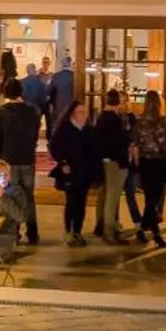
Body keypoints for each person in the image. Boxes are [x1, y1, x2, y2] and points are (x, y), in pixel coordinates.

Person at [0, 78, 44, 244]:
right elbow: (35, 134)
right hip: (27, 158)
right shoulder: (33, 111)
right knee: (28, 196)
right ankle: (33, 231)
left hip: (7, 160)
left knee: (9, 196)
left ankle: (13, 232)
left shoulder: (0, 113)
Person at [129, 90, 166, 244]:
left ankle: (144, 228)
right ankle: (154, 233)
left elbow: (134, 144)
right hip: (160, 163)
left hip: (145, 163)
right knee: (154, 198)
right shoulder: (165, 122)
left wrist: (137, 162)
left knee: (150, 198)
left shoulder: (139, 122)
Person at [49, 101, 99, 246]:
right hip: (70, 172)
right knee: (71, 202)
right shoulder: (65, 129)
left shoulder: (88, 130)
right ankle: (69, 232)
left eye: (84, 112)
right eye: (80, 112)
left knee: (81, 203)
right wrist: (63, 162)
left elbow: (94, 150)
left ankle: (78, 231)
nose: (83, 115)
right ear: (72, 114)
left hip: (84, 172)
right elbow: (55, 147)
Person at [95, 90, 134, 243]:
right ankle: (109, 230)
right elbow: (118, 143)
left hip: (105, 160)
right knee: (113, 197)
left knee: (104, 194)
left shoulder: (101, 117)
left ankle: (101, 224)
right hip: (116, 162)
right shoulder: (114, 119)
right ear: (118, 102)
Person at [48, 53, 76, 129]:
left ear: (62, 64)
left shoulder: (56, 76)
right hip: (73, 106)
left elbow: (49, 91)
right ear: (70, 63)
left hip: (58, 106)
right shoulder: (75, 76)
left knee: (59, 127)